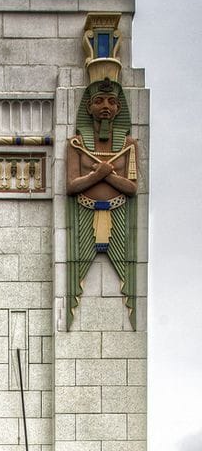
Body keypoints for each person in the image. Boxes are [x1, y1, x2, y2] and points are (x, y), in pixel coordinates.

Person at [65, 77, 138, 328]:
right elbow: (72, 185)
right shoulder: (77, 144)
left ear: (119, 108)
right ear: (88, 108)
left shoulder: (128, 146)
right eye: (98, 100)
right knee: (76, 282)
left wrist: (107, 174)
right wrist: (97, 175)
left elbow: (132, 187)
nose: (106, 106)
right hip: (84, 212)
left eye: (112, 101)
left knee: (125, 283)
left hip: (117, 212)